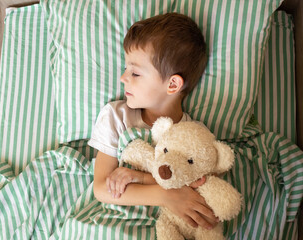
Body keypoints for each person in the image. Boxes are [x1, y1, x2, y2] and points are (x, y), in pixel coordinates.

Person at [88, 12, 218, 230]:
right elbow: (101, 189)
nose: (123, 78)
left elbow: (201, 191)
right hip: (116, 223)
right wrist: (165, 195)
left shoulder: (194, 136)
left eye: (135, 73)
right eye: (125, 68)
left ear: (173, 85)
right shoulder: (117, 117)